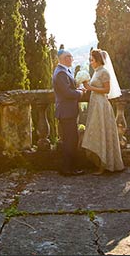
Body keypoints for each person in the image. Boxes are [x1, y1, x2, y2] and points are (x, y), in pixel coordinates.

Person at [81, 49, 124, 175]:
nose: (90, 62)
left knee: (102, 132)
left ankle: (104, 165)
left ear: (98, 60)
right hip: (95, 104)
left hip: (101, 105)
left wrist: (90, 87)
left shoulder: (104, 72)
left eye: (92, 60)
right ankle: (100, 163)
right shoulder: (96, 72)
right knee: (96, 132)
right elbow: (96, 87)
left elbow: (106, 90)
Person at [52, 47, 86, 176]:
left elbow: (68, 88)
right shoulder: (61, 73)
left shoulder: (64, 71)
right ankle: (67, 169)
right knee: (69, 141)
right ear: (64, 59)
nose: (72, 59)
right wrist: (80, 93)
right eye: (70, 57)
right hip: (66, 112)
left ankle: (69, 167)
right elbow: (67, 93)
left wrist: (78, 88)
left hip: (68, 112)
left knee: (71, 140)